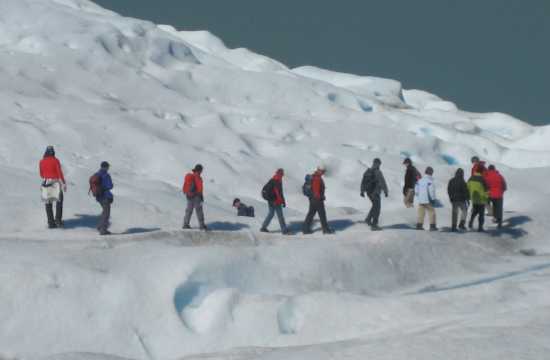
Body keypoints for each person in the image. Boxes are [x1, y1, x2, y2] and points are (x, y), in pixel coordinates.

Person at [39, 145, 67, 228]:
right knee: (59, 201)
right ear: (53, 152)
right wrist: (64, 183)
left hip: (45, 182)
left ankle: (51, 223)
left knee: (48, 203)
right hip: (55, 182)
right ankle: (58, 220)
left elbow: (41, 174)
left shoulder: (41, 161)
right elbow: (59, 172)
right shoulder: (55, 160)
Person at [303, 166, 334, 234]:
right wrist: (321, 197)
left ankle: (305, 229)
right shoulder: (317, 178)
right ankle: (325, 230)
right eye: (323, 171)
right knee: (322, 215)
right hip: (317, 200)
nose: (324, 172)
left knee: (311, 214)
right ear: (320, 170)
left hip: (312, 199)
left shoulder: (314, 177)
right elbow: (316, 191)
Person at [361, 158, 389, 231]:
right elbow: (382, 182)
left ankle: (368, 219)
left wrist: (362, 191)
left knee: (374, 206)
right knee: (377, 208)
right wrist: (386, 191)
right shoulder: (378, 172)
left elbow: (363, 182)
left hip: (369, 193)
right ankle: (374, 225)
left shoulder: (368, 171)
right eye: (379, 163)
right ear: (378, 164)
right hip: (375, 193)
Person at [260, 168, 289, 234]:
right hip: (275, 201)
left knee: (271, 214)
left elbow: (279, 192)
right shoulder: (277, 181)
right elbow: (279, 193)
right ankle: (284, 230)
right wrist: (281, 201)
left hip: (270, 200)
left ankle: (263, 227)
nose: (282, 175)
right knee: (280, 215)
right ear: (280, 174)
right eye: (282, 174)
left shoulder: (273, 179)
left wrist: (283, 201)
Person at [182, 164, 207, 230]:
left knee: (189, 211)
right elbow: (200, 187)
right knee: (199, 211)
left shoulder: (190, 176)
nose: (201, 172)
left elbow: (185, 186)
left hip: (189, 196)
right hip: (196, 197)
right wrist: (201, 196)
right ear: (199, 170)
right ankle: (202, 226)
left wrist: (186, 192)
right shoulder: (197, 177)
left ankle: (185, 224)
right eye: (201, 170)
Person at [415, 166, 438, 231]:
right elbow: (431, 190)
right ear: (431, 173)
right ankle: (432, 226)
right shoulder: (430, 181)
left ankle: (419, 225)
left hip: (421, 200)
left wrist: (418, 195)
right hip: (428, 200)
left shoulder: (420, 180)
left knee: (421, 213)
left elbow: (416, 188)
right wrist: (433, 199)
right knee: (431, 212)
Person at [94, 161, 113, 235]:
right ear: (105, 167)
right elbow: (110, 186)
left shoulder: (97, 174)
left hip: (99, 196)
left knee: (104, 212)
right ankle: (103, 230)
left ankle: (100, 226)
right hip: (105, 196)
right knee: (106, 213)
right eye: (108, 166)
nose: (108, 168)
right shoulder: (106, 175)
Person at [467, 167, 489, 232]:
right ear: (481, 172)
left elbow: (467, 186)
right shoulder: (482, 179)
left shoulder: (471, 178)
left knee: (474, 211)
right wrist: (487, 196)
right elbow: (486, 189)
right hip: (481, 199)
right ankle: (480, 227)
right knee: (481, 214)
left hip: (474, 198)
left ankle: (470, 223)